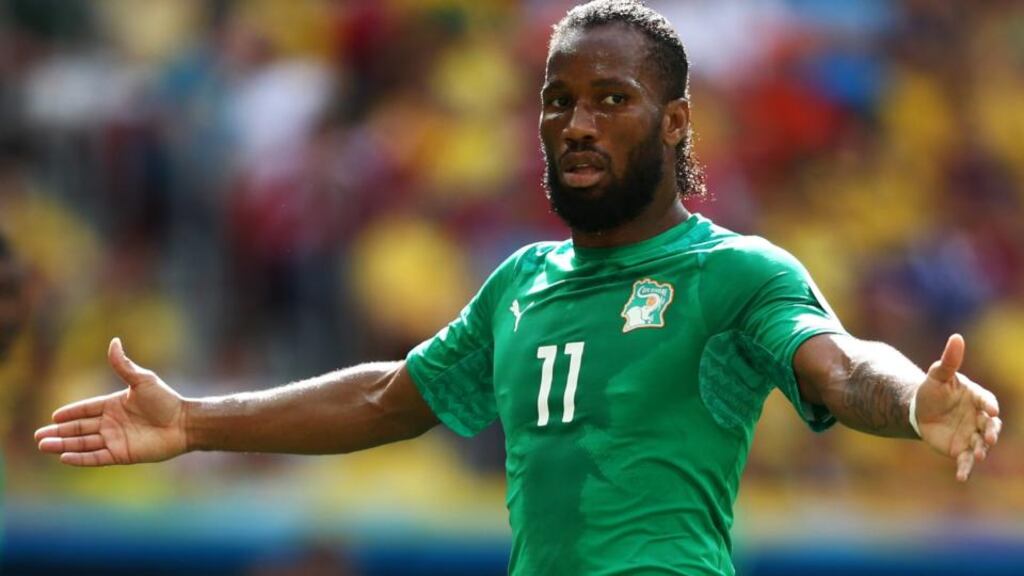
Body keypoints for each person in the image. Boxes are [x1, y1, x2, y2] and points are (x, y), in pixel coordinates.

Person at [35, 1, 1002, 575]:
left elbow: (839, 368)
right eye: (560, 101)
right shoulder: (519, 284)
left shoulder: (734, 272)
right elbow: (387, 396)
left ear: (675, 124)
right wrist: (198, 423)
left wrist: (915, 399)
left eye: (612, 101)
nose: (578, 124)